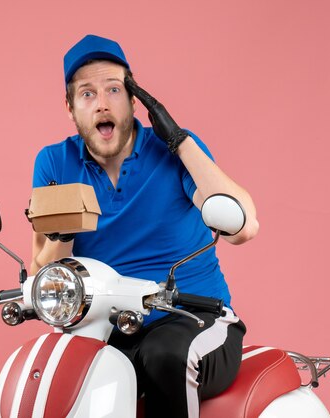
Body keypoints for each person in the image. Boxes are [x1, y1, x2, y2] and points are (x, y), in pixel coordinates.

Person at [30, 34, 259, 418]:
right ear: (70, 108)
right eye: (86, 94)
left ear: (134, 100)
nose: (102, 103)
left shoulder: (173, 152)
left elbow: (244, 226)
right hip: (106, 328)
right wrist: (61, 234)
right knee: (55, 369)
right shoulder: (55, 163)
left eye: (114, 89)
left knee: (163, 354)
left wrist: (180, 141)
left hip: (193, 321)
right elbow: (42, 272)